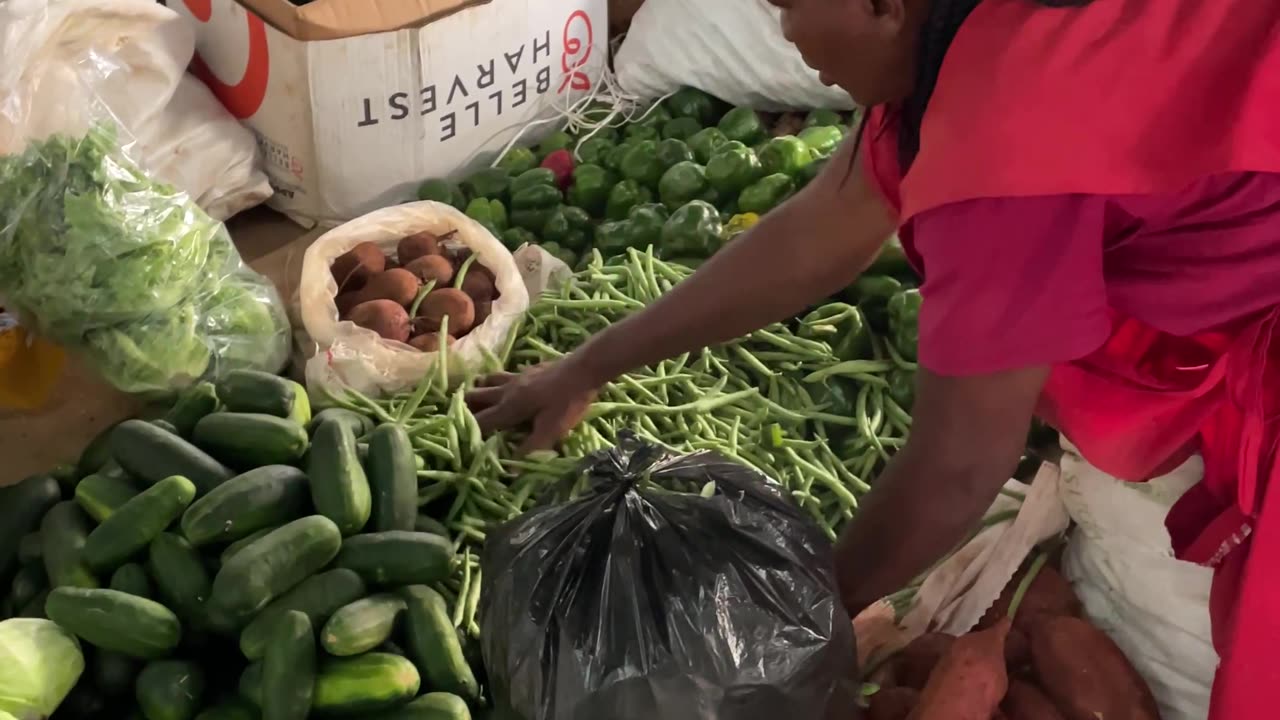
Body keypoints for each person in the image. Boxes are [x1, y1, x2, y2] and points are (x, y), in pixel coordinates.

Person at [467, 0, 1280, 716]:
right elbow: (823, 230)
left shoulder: (1005, 140)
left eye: (786, 5)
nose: (786, 37)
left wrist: (794, 621)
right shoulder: (960, 34)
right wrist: (586, 367)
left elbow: (958, 469)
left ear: (884, 5)